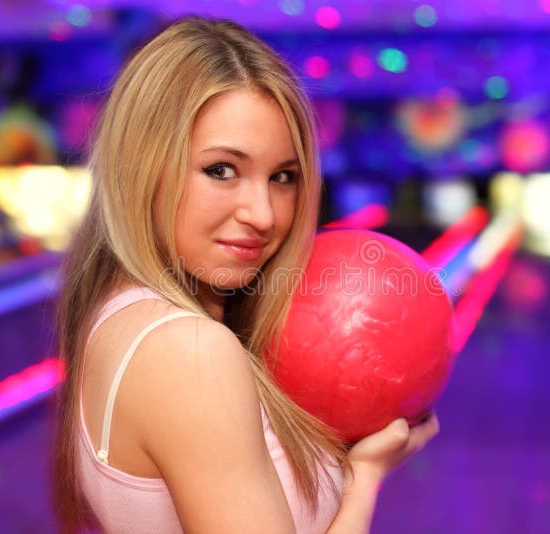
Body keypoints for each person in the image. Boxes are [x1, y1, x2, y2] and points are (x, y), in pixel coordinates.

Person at [54, 16, 439, 534]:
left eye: (283, 177)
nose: (263, 212)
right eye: (221, 170)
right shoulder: (189, 351)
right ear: (142, 166)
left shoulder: (120, 314)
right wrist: (365, 475)